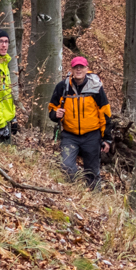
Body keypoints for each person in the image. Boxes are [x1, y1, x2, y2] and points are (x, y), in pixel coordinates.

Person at [49, 56, 111, 190]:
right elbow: (52, 108)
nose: (78, 69)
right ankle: (73, 194)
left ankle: (94, 202)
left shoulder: (96, 87)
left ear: (86, 69)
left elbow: (105, 113)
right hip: (70, 136)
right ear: (71, 69)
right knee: (66, 166)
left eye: (81, 67)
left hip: (92, 136)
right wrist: (55, 114)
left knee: (92, 172)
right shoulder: (63, 87)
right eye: (76, 67)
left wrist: (107, 139)